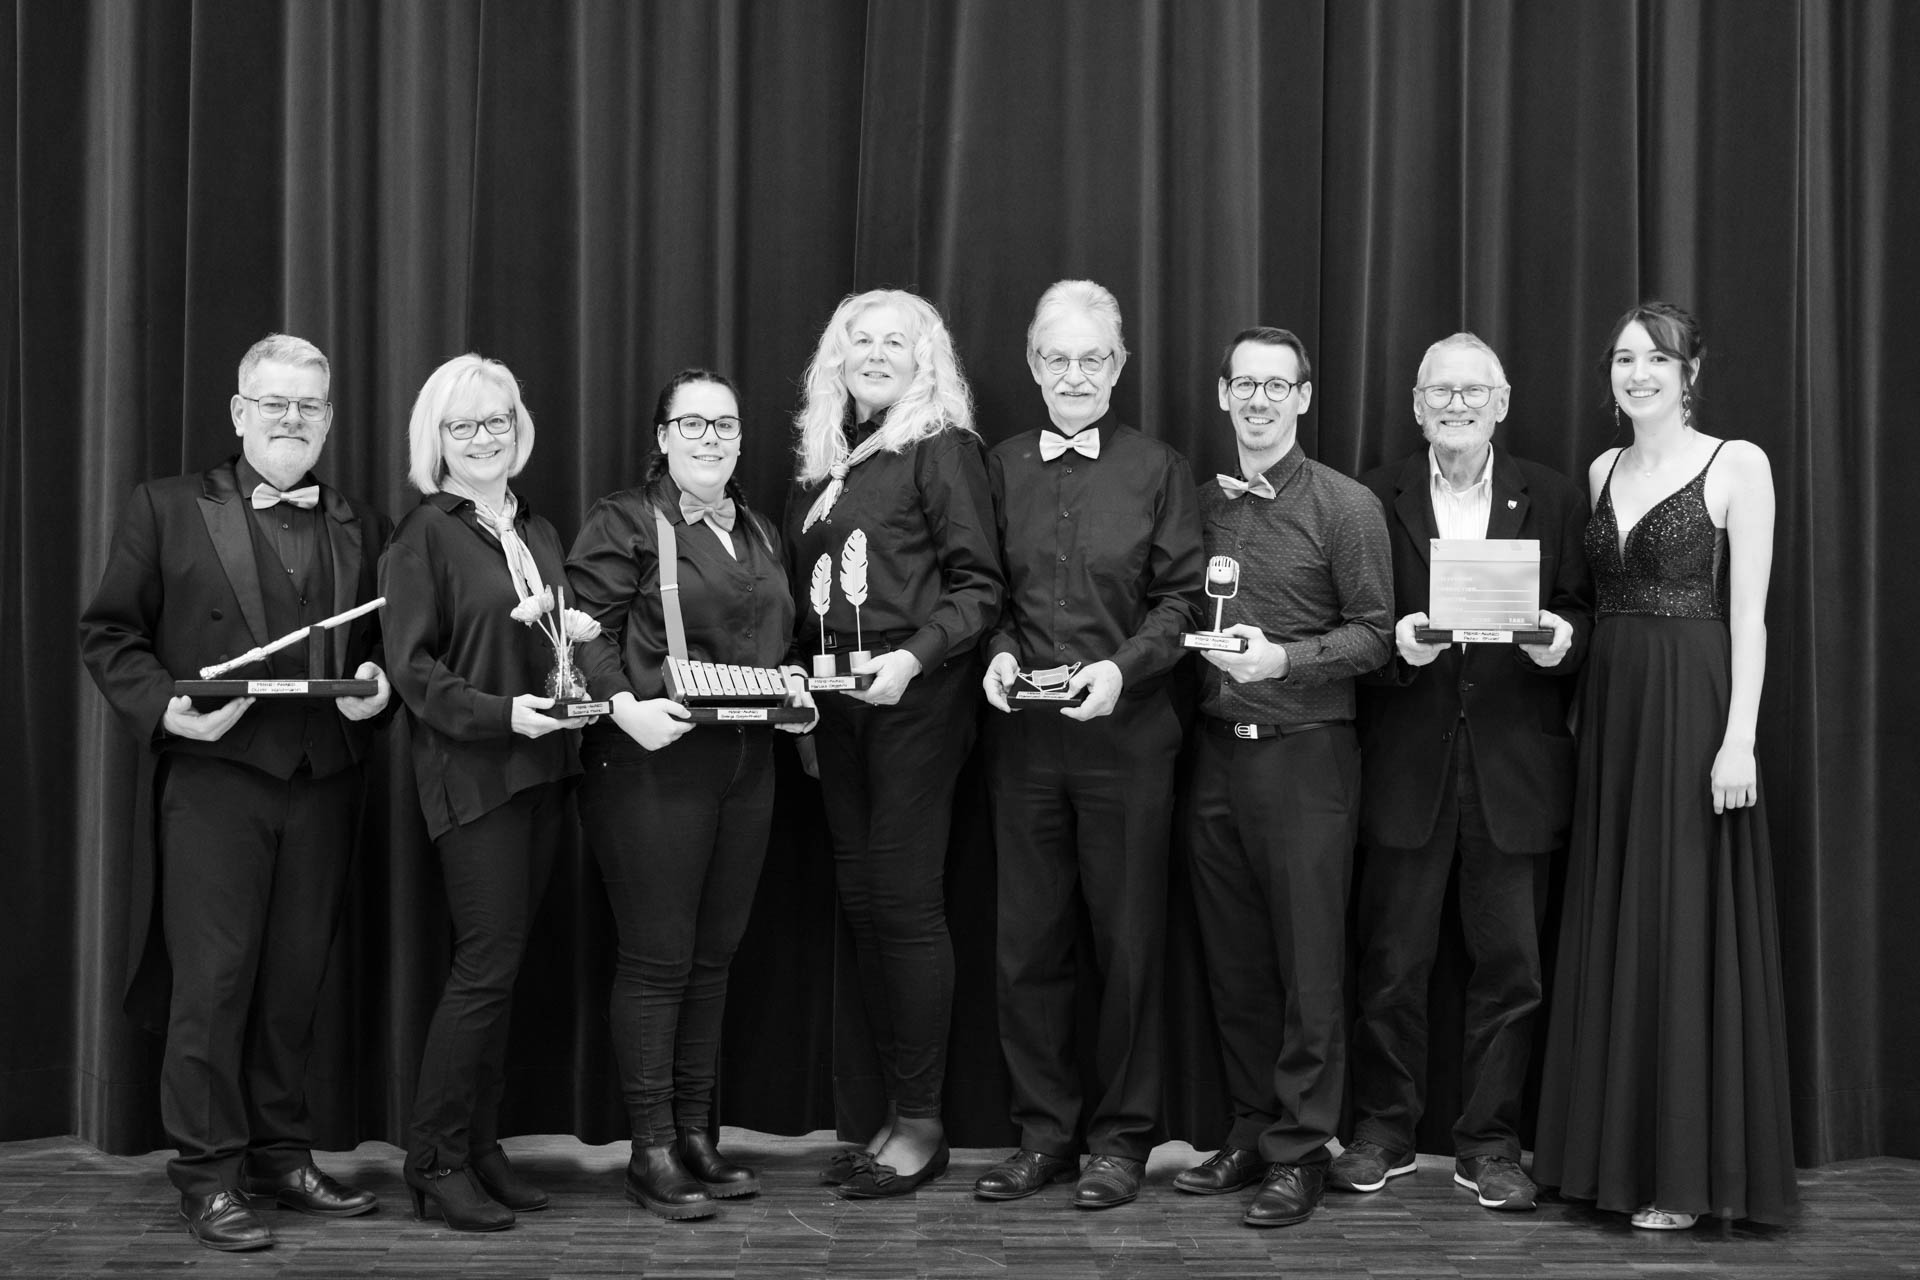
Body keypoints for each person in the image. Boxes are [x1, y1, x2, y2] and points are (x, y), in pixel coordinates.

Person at [78, 333, 390, 1252]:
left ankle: (280, 1156)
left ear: (328, 420)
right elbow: (110, 635)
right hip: (215, 783)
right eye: (275, 403)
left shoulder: (361, 521)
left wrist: (378, 688)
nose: (292, 420)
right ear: (239, 412)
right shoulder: (167, 506)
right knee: (212, 987)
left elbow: (378, 650)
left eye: (309, 406)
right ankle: (208, 1174)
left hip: (324, 780)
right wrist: (166, 710)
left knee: (294, 982)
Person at [1534, 302, 1798, 1228]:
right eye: (1623, 358)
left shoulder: (1738, 464)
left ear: (1691, 372)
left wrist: (1739, 739)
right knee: (1618, 912)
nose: (1637, 372)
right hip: (1613, 710)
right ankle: (1606, 1162)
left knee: (1681, 918)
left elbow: (1750, 617)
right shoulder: (1601, 470)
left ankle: (1681, 1177)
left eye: (1657, 358)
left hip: (1694, 708)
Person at [1335, 332, 1592, 1214]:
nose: (1456, 405)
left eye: (1472, 392)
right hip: (1406, 763)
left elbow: (1583, 612)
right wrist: (1393, 649)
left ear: (1502, 402)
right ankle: (1383, 1133)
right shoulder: (1373, 496)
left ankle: (1490, 1145)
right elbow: (1352, 622)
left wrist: (1564, 643)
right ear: (1416, 406)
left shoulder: (1554, 497)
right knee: (1391, 965)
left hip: (1513, 769)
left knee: (1511, 969)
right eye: (1439, 392)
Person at [975, 279, 1204, 1211]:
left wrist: (1121, 669)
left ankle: (1120, 1142)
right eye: (1059, 358)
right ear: (1034, 365)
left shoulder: (1161, 468)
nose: (1076, 374)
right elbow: (981, 589)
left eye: (1093, 358)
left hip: (1129, 739)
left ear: (1119, 366)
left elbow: (1181, 601)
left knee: (1128, 947)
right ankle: (1042, 1136)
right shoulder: (997, 466)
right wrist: (994, 651)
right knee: (1026, 948)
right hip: (1023, 744)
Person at [567, 369, 816, 1220]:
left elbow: (779, 642)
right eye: (694, 424)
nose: (711, 439)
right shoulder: (625, 520)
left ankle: (693, 1136)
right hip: (651, 762)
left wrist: (794, 690)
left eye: (726, 425)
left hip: (746, 765)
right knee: (658, 958)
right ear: (663, 437)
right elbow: (585, 633)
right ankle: (649, 1149)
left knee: (713, 959)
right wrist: (622, 706)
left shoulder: (761, 528)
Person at [784, 290, 1003, 1199]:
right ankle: (892, 1116)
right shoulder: (827, 462)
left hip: (916, 701)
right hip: (837, 712)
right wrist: (798, 683)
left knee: (906, 908)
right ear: (836, 360)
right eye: (860, 340)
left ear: (926, 361)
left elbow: (979, 587)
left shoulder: (941, 449)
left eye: (895, 342)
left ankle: (923, 1124)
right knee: (867, 907)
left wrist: (912, 661)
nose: (876, 354)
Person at [1175, 326, 1391, 1228]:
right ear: (1223, 394)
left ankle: (1302, 1150)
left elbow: (1377, 634)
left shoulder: (1345, 505)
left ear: (1303, 398)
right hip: (1215, 755)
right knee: (1235, 962)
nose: (1259, 401)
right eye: (1245, 385)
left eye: (1277, 386)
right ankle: (1250, 1129)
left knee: (1309, 967)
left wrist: (1286, 660)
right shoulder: (1196, 505)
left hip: (1306, 757)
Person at [381, 353, 584, 1231]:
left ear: (518, 427)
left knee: (503, 973)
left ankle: (479, 1143)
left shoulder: (536, 529)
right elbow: (412, 669)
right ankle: (432, 1160)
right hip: (474, 776)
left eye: (497, 420)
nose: (483, 438)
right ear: (437, 438)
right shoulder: (423, 533)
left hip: (544, 771)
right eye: (462, 425)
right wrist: (504, 715)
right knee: (483, 969)